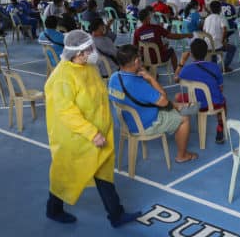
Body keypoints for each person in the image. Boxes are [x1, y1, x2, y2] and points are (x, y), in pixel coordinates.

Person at [44, 30, 140, 226]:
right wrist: (91, 132)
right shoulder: (63, 77)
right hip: (76, 139)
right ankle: (53, 209)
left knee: (104, 174)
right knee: (66, 175)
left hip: (99, 133)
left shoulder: (87, 67)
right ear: (77, 53)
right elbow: (66, 111)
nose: (92, 52)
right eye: (88, 50)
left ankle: (116, 215)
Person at [109, 44, 198, 162]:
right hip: (143, 125)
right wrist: (150, 78)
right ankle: (182, 156)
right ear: (136, 61)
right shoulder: (137, 83)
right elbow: (164, 100)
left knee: (167, 103)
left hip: (125, 122)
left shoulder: (114, 77)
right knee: (184, 118)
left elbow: (139, 98)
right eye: (140, 58)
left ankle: (179, 106)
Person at [175, 38, 227, 144]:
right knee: (222, 100)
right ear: (206, 52)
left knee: (177, 97)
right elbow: (220, 88)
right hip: (213, 105)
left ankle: (182, 125)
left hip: (194, 104)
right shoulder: (214, 67)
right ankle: (220, 127)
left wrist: (182, 62)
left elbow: (176, 78)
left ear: (191, 54)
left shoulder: (187, 69)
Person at [203, 0, 236, 72]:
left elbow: (204, 31)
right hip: (217, 45)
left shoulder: (207, 18)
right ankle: (225, 66)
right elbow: (225, 29)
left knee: (214, 46)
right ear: (220, 9)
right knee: (232, 48)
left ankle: (214, 65)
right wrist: (223, 41)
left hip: (207, 44)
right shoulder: (221, 18)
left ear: (210, 9)